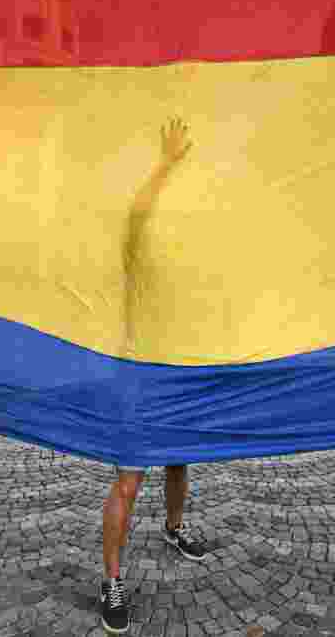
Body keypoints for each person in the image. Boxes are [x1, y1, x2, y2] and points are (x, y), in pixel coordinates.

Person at [100, 118, 208, 634]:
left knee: (179, 461)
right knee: (129, 479)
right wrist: (164, 167)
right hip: (139, 375)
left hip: (179, 369)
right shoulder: (135, 245)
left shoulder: (183, 264)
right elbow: (139, 213)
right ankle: (113, 582)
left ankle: (173, 527)